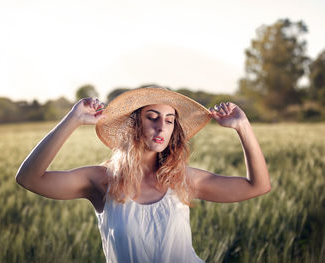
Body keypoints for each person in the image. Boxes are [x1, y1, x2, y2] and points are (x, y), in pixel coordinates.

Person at [16, 86, 271, 262]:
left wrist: (242, 126)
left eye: (170, 120)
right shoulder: (102, 181)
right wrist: (72, 119)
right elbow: (29, 178)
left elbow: (257, 186)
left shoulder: (183, 179)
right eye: (152, 117)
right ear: (134, 124)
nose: (162, 126)